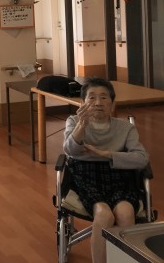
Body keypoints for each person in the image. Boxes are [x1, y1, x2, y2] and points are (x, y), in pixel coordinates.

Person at [63, 77, 149, 263]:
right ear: (82, 103)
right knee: (104, 214)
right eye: (92, 97)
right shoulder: (74, 121)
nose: (98, 103)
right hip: (86, 174)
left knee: (126, 212)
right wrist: (82, 125)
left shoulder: (126, 128)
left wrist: (107, 154)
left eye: (104, 97)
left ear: (112, 104)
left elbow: (142, 159)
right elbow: (70, 150)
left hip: (119, 174)